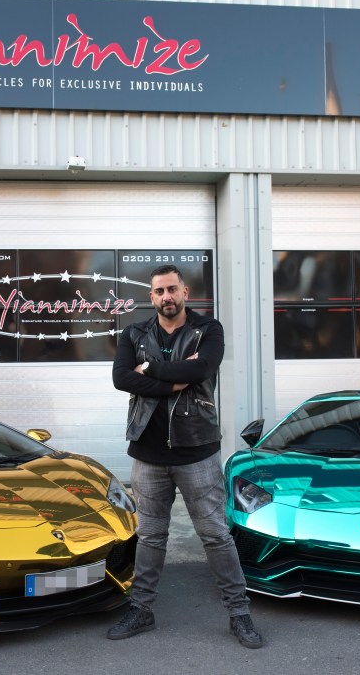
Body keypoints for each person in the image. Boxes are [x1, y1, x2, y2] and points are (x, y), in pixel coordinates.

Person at [107, 264, 263, 649]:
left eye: (172, 289)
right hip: (147, 453)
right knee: (151, 537)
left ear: (185, 291)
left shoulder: (208, 330)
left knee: (215, 535)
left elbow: (205, 368)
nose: (167, 297)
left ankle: (239, 614)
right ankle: (141, 609)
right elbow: (122, 378)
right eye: (159, 292)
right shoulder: (134, 332)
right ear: (152, 297)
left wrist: (154, 370)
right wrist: (176, 378)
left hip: (197, 451)